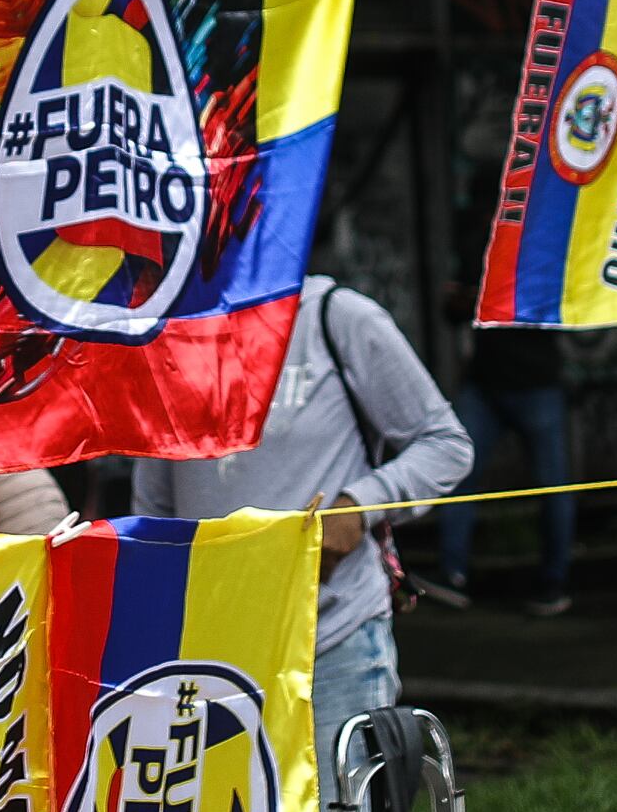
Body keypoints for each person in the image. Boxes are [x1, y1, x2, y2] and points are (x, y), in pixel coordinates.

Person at [128, 274, 469, 740]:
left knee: (337, 793)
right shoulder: (166, 334)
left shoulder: (336, 316)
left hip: (331, 642)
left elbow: (446, 445)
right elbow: (154, 509)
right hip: (207, 656)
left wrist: (359, 506)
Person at [425, 323, 576, 613]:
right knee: (458, 471)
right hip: (487, 381)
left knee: (554, 486)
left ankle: (554, 582)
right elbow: (452, 311)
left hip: (536, 381)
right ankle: (452, 574)